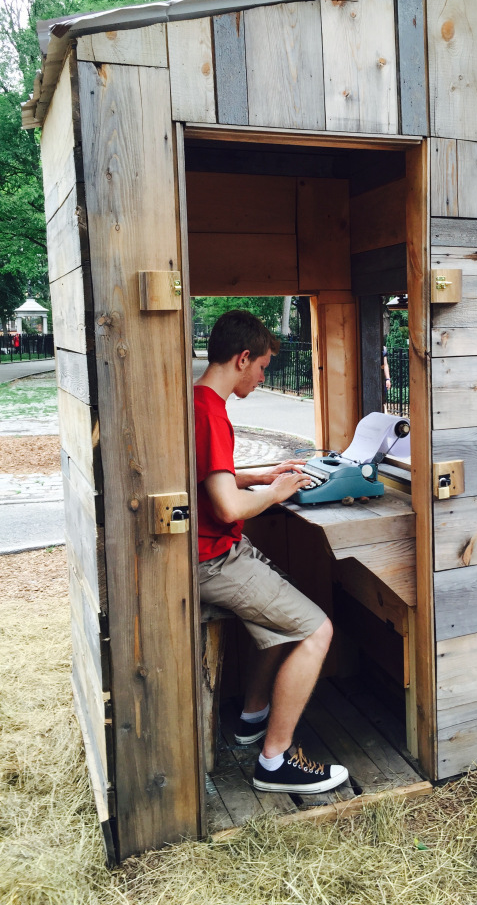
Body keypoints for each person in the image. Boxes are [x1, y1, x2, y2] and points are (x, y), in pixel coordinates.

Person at [194, 310, 349, 794]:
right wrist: (278, 493)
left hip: (214, 551)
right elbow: (225, 507)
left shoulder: (199, 402)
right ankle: (274, 762)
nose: (262, 377)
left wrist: (258, 475)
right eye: (261, 367)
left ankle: (251, 719)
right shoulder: (210, 412)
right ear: (242, 358)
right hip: (211, 558)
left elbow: (210, 476)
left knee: (287, 608)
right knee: (317, 630)